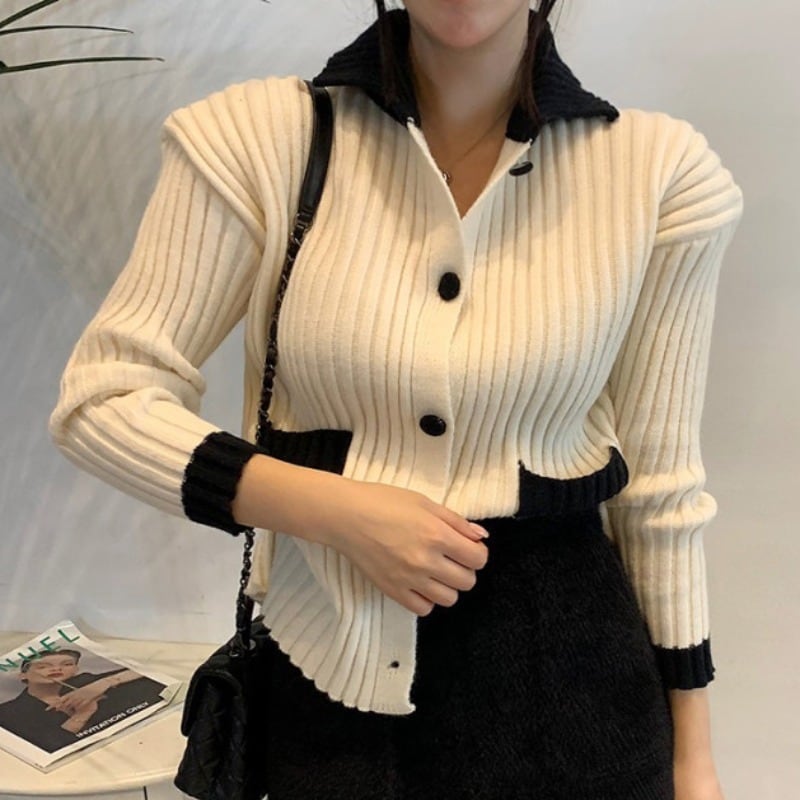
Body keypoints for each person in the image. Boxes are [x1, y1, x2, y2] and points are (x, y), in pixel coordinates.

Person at [47, 1, 744, 797]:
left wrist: (695, 758)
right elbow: (103, 399)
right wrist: (338, 511)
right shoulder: (254, 140)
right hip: (332, 693)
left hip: (577, 695)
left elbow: (660, 489)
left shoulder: (660, 173)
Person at [0, 650, 166, 752]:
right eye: (42, 666)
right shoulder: (9, 711)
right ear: (23, 675)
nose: (56, 669)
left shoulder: (85, 680)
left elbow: (147, 671)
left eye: (67, 664)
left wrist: (104, 683)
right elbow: (46, 746)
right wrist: (82, 715)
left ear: (76, 669)